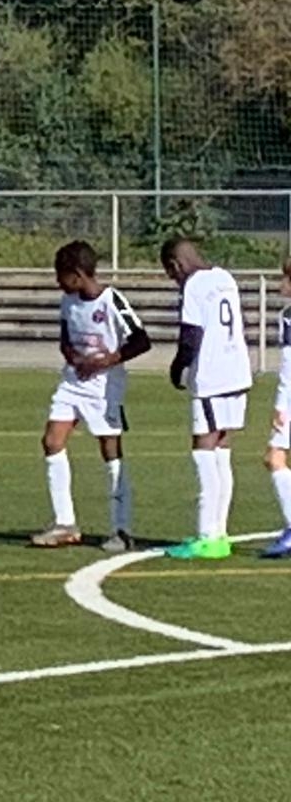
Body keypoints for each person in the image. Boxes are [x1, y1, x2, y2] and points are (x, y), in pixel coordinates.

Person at [29, 240, 150, 551]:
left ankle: (122, 529)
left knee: (110, 452)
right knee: (51, 441)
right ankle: (65, 523)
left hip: (104, 388)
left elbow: (141, 340)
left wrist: (105, 361)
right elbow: (65, 340)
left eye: (61, 275)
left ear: (78, 274)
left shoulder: (111, 301)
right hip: (73, 382)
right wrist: (74, 358)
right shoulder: (68, 301)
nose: (58, 282)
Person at [162, 238, 252, 561]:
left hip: (213, 377)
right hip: (237, 371)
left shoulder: (194, 285)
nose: (174, 279)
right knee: (222, 450)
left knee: (204, 449)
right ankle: (220, 533)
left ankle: (206, 536)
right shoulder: (225, 277)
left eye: (171, 273)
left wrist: (178, 368)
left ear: (176, 265)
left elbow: (191, 335)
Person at [262, 259, 291, 559]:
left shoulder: (288, 317)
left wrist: (281, 406)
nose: (281, 285)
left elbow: (288, 367)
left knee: (274, 458)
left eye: (286, 279)